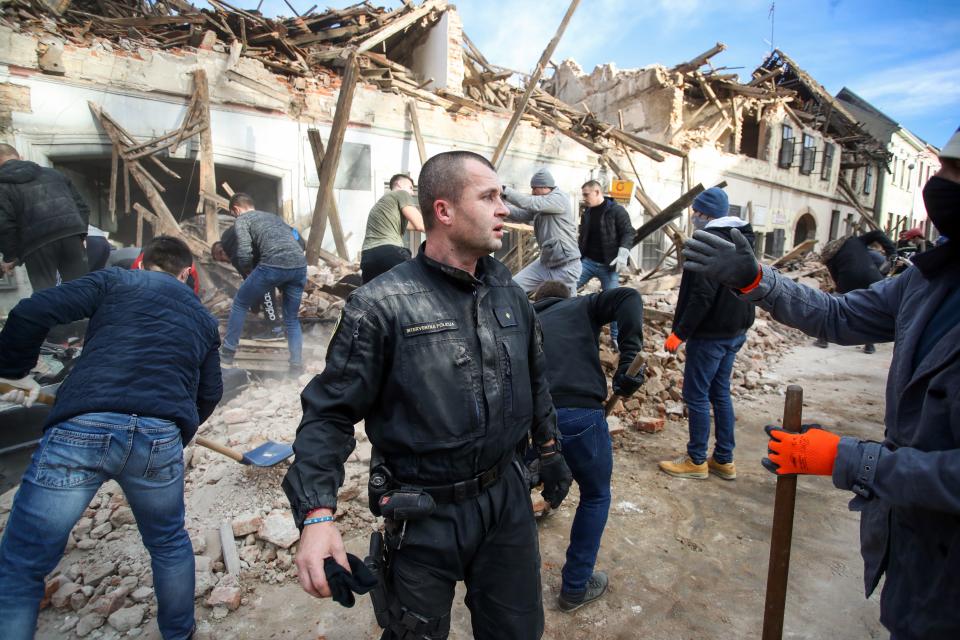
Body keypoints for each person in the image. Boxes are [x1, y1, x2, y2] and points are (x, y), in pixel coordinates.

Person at [678, 126, 960, 639]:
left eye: (956, 174)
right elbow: (837, 315)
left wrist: (848, 459)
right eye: (941, 169)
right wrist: (757, 280)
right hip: (920, 556)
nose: (940, 183)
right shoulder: (932, 279)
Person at [283, 150, 572, 640]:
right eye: (489, 197)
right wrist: (317, 515)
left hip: (507, 501)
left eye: (503, 196)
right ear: (444, 211)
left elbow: (536, 378)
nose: (505, 209)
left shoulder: (508, 290)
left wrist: (550, 452)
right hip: (423, 515)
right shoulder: (381, 304)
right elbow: (329, 415)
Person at [0, 236, 223, 640]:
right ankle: (179, 634)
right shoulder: (203, 318)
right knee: (169, 543)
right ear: (187, 272)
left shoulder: (114, 282)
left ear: (141, 262)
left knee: (22, 565)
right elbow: (209, 394)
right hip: (158, 435)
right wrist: (176, 434)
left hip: (81, 425)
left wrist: (14, 369)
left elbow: (32, 309)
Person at [532, 280, 644, 611]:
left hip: (530, 425)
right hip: (580, 416)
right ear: (566, 298)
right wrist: (628, 362)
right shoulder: (581, 306)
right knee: (595, 495)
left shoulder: (522, 316)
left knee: (510, 495)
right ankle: (575, 587)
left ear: (538, 300)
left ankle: (508, 587)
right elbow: (628, 296)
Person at [658, 187, 755, 481]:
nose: (693, 216)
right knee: (720, 392)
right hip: (735, 328)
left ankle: (697, 460)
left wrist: (680, 333)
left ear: (703, 213)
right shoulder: (743, 239)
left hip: (711, 333)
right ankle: (724, 459)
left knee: (696, 395)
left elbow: (701, 296)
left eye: (696, 211)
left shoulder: (706, 242)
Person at [219, 193, 307, 373]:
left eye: (234, 213)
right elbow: (298, 241)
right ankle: (296, 366)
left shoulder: (242, 220)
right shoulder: (274, 217)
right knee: (291, 318)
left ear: (235, 209)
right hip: (299, 266)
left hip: (272, 265)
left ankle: (226, 354)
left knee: (240, 303)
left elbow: (243, 251)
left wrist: (248, 270)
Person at [0, 144, 90, 290]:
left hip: (36, 244)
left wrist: (11, 256)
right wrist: (81, 233)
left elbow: (4, 226)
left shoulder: (2, 186)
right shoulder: (53, 174)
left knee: (45, 297)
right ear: (20, 157)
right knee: (82, 290)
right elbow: (82, 206)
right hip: (71, 234)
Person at [502, 168, 582, 295]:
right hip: (545, 263)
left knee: (565, 308)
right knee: (513, 288)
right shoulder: (543, 203)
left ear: (544, 186)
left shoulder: (558, 199)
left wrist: (503, 190)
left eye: (534, 188)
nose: (532, 192)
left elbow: (528, 202)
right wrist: (500, 208)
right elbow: (522, 214)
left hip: (566, 267)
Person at [576, 180, 635, 350]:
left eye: (586, 194)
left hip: (609, 266)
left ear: (597, 192)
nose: (584, 198)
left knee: (614, 300)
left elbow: (628, 232)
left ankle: (616, 339)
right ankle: (568, 325)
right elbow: (583, 236)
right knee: (568, 287)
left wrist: (623, 252)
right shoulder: (587, 212)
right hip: (587, 262)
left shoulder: (616, 211)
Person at [817, 229, 897, 353]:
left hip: (847, 282)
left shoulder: (830, 258)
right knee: (870, 311)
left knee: (833, 308)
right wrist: (892, 253)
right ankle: (869, 344)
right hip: (873, 278)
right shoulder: (855, 241)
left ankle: (823, 339)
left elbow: (836, 279)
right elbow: (878, 233)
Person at [360, 173, 425, 284]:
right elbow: (420, 224)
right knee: (411, 291)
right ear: (399, 184)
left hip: (368, 257)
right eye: (410, 187)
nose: (412, 192)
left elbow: (413, 226)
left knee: (374, 297)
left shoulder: (383, 204)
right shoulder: (401, 194)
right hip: (389, 253)